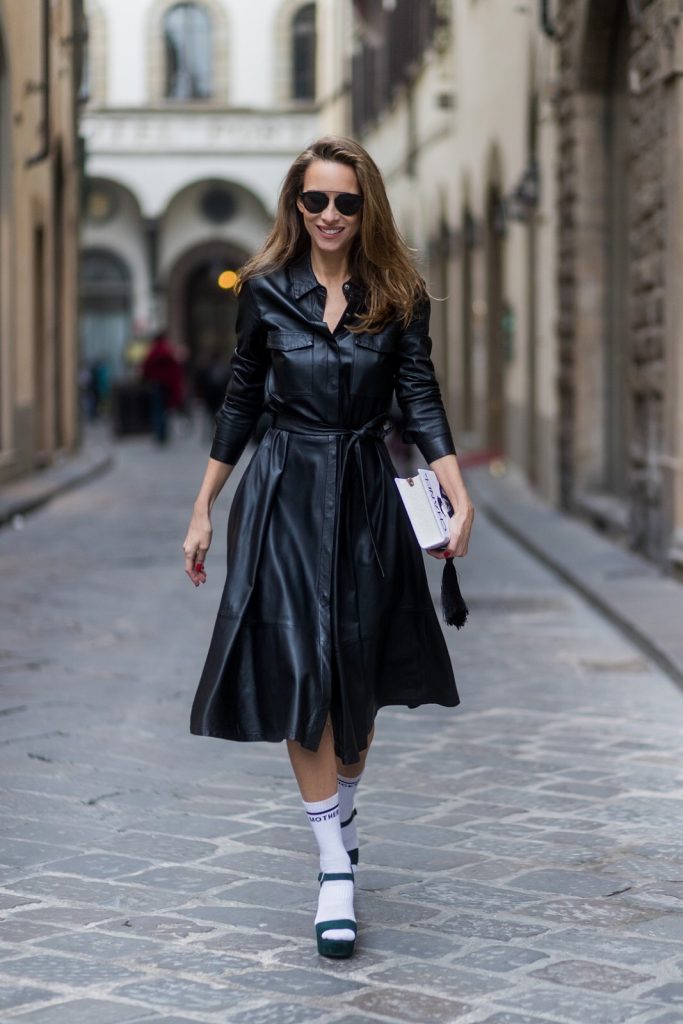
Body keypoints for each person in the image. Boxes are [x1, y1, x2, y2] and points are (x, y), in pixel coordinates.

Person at [182, 136, 474, 959]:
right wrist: (204, 505)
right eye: (316, 201)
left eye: (346, 201)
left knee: (359, 674)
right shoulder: (266, 290)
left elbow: (419, 396)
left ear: (366, 206)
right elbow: (241, 399)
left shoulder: (401, 295)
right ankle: (331, 868)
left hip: (366, 492)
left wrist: (457, 486)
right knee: (303, 666)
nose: (330, 215)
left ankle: (340, 816)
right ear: (295, 205)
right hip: (282, 493)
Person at [141, 330, 184, 444]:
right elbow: (175, 370)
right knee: (164, 411)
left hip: (157, 384)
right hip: (167, 386)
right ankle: (163, 434)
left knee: (157, 410)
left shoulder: (154, 351)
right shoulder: (168, 350)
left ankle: (160, 434)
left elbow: (146, 367)